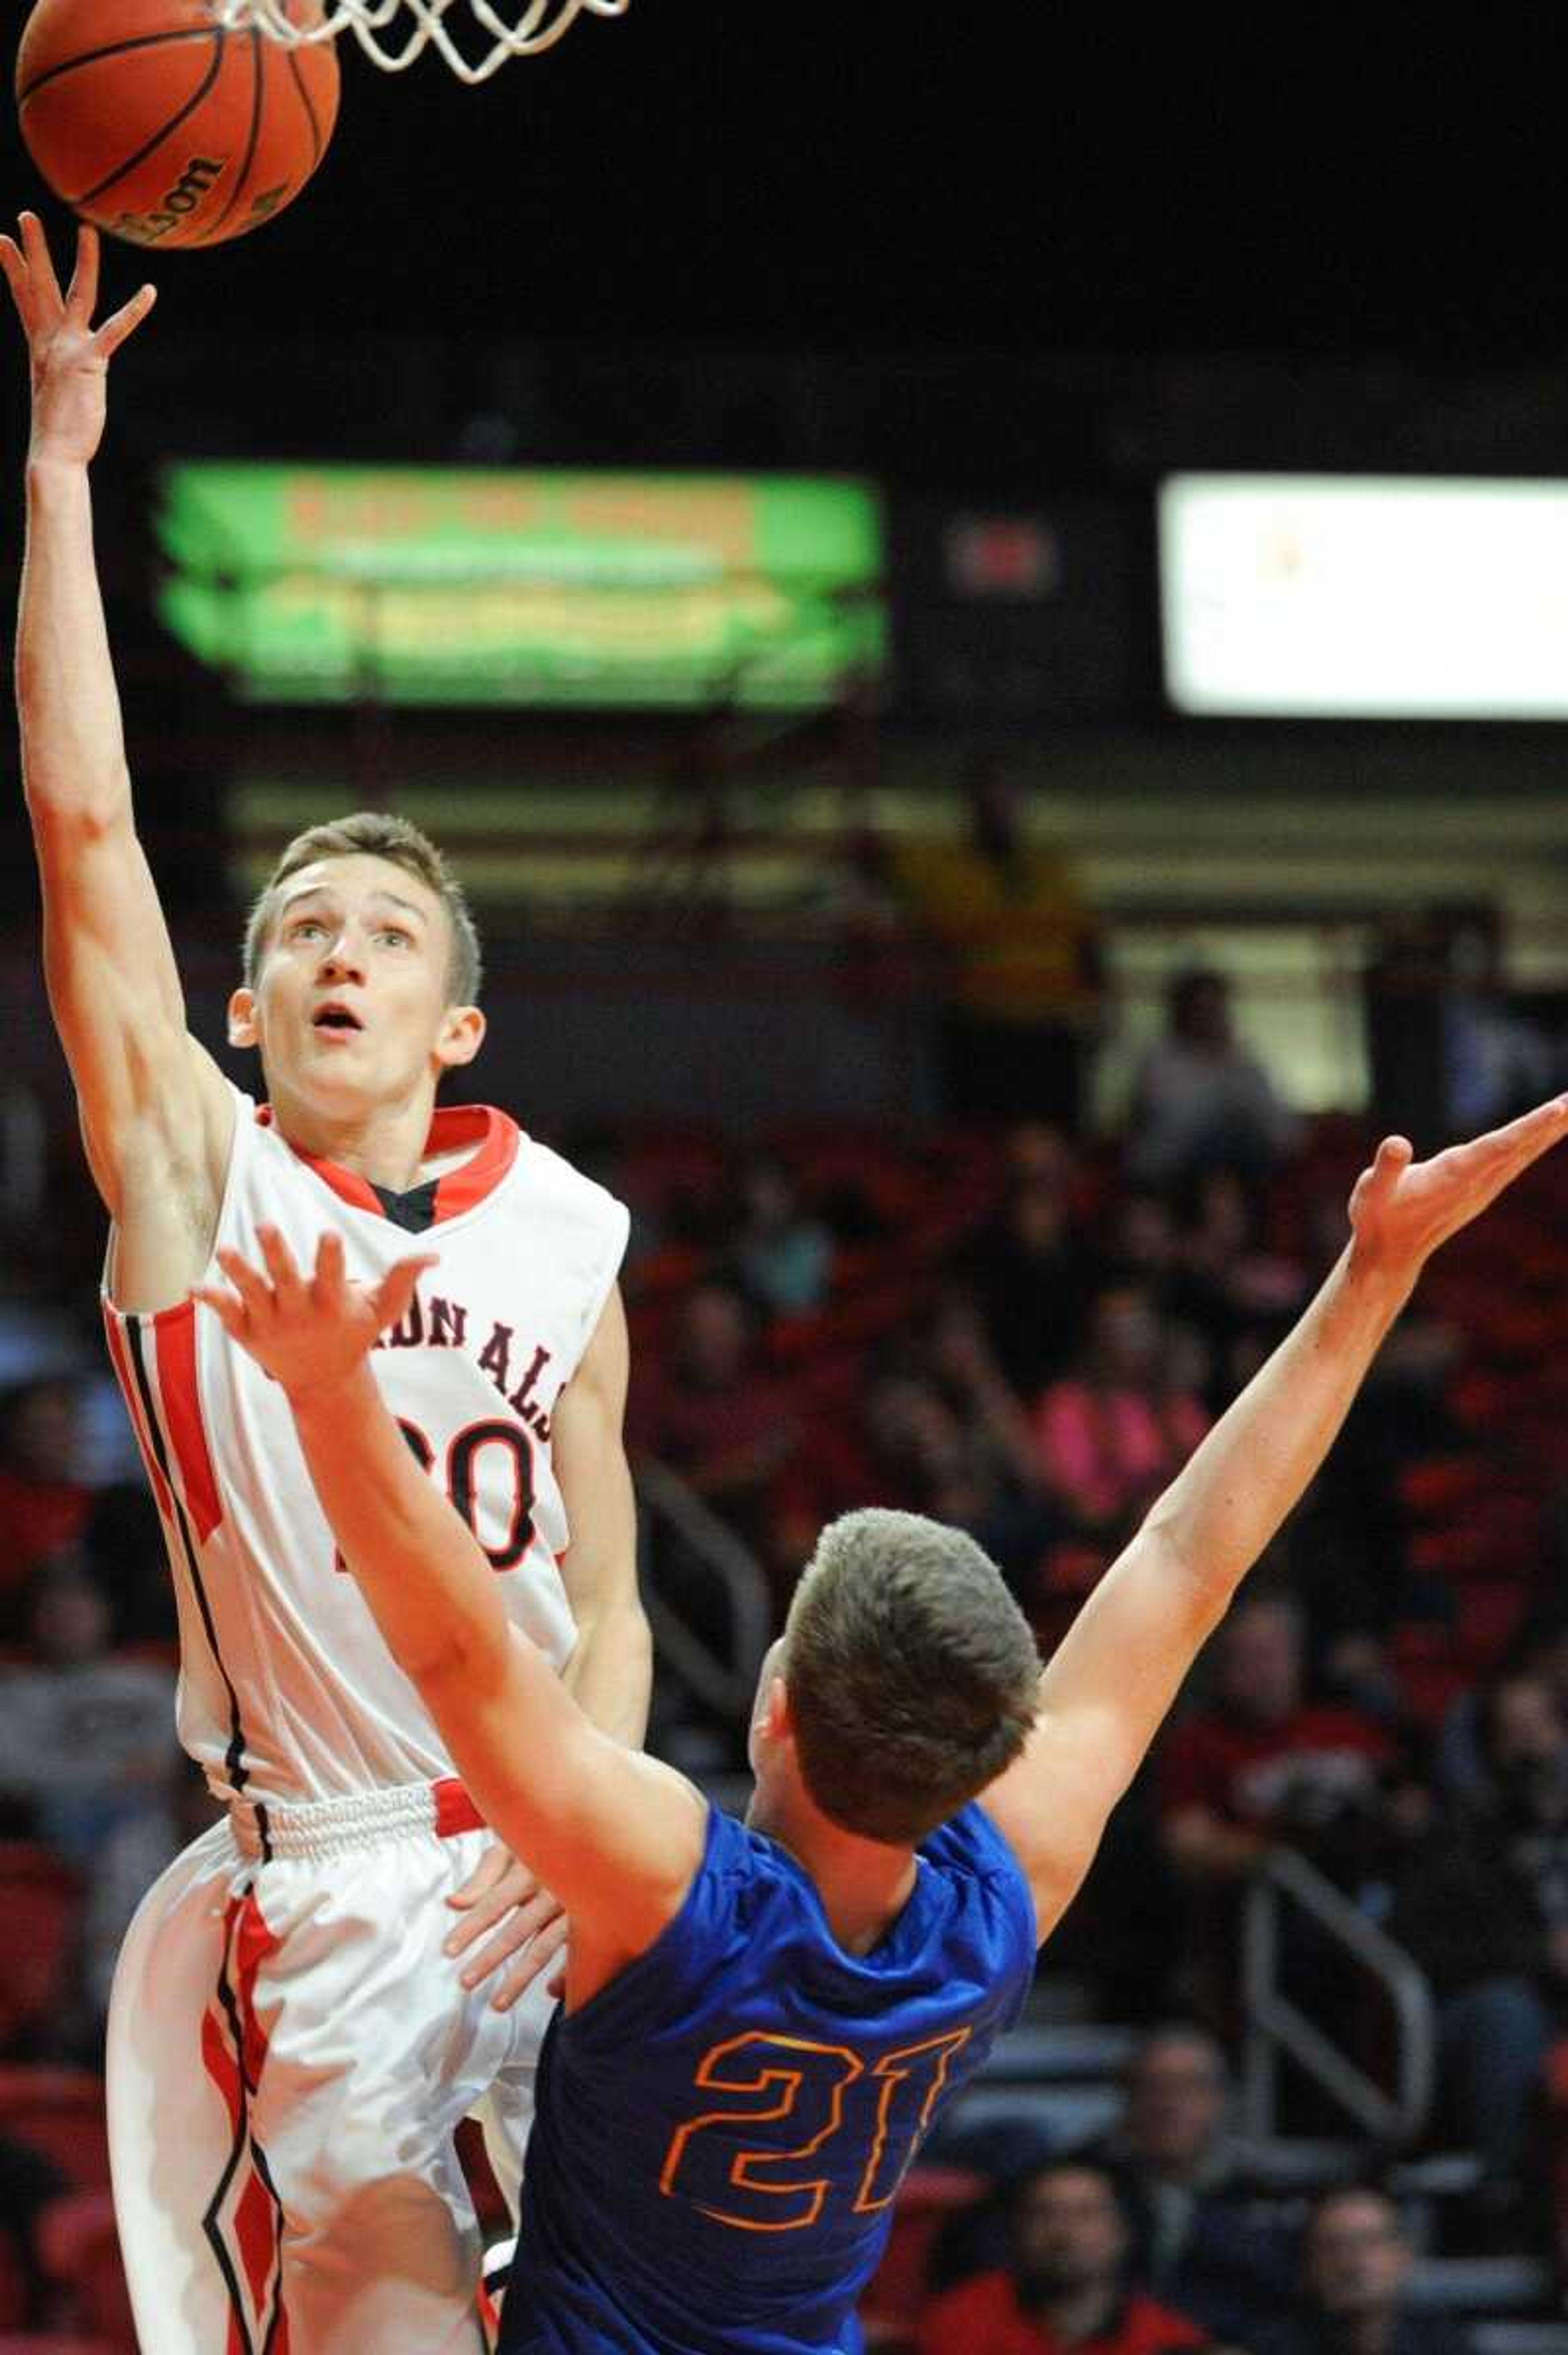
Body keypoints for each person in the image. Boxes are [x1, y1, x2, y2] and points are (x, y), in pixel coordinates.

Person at [196, 1091, 1568, 2352]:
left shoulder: (669, 1882)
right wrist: (1377, 1274)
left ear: (773, 1702)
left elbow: (455, 1647)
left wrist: (325, 1385)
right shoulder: (997, 1894)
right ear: (991, 1750)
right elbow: (1184, 1563)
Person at [2, 212, 650, 2355]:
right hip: (344, 1874)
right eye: (300, 932)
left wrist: (604, 1821)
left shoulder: (574, 1234)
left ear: (458, 1020)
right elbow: (84, 830)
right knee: (380, 2315)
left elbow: (622, 1598)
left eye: (385, 931)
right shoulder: (198, 1170)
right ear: (250, 1009)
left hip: (575, 1852)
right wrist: (62, 468)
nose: (340, 951)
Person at [917, 2157, 1210, 2355]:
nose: (1063, 2232)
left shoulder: (1168, 2340)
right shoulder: (963, 2317)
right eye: (1044, 2214)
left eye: (1085, 2214)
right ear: (1018, 2230)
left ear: (1123, 2231)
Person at [1254, 2186, 1474, 2355]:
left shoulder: (1443, 2344)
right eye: (1334, 2247)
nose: (1352, 2263)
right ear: (1311, 2266)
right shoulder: (1276, 2348)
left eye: (1369, 2242)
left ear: (1402, 2257)